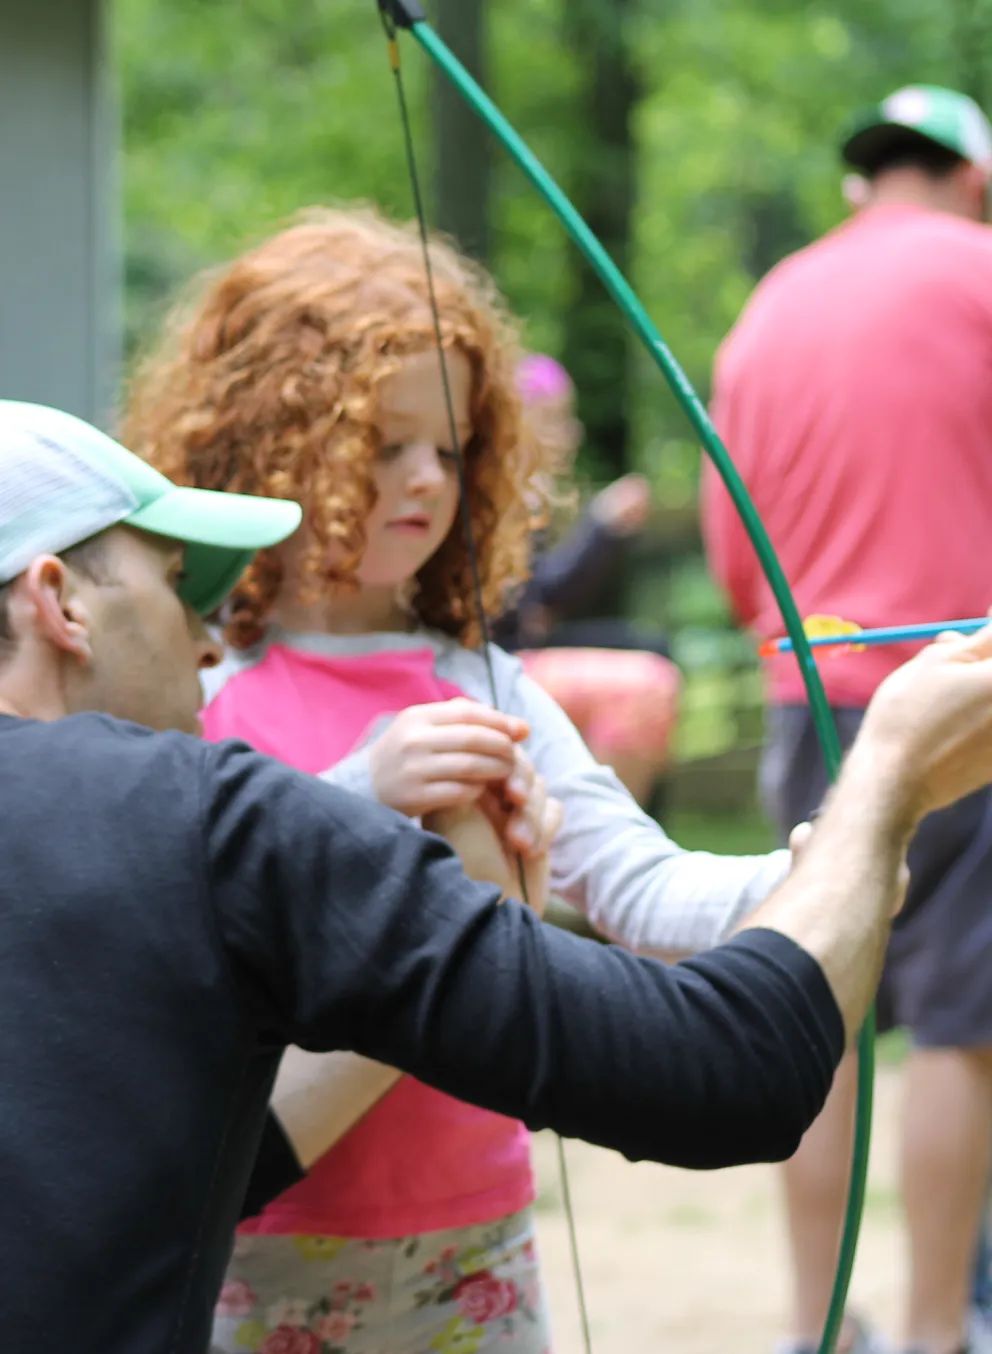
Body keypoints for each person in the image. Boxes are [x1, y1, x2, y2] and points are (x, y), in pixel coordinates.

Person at [1, 399, 977, 1351]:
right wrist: (883, 783)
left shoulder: (448, 699)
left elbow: (208, 1161)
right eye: (176, 581)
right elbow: (725, 1069)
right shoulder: (204, 809)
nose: (205, 634)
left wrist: (809, 876)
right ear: (58, 603)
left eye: (450, 445)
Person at [121, 206, 796, 1352]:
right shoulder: (196, 676)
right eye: (381, 444)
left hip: (471, 1238)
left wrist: (815, 866)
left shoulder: (487, 683)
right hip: (257, 1241)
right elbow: (168, 923)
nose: (424, 478)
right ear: (269, 439)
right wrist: (355, 790)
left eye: (450, 445)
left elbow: (644, 893)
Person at [703, 84, 992, 1354]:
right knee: (963, 1025)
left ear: (856, 183)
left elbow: (731, 552)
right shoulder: (981, 271)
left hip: (807, 698)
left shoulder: (766, 310)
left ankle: (817, 1329)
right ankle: (938, 1333)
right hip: (965, 694)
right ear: (971, 178)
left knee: (820, 1006)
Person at [492, 352, 680, 808]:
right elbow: (539, 601)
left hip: (523, 645)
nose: (571, 434)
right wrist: (599, 527)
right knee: (650, 678)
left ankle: (636, 826)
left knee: (655, 646)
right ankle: (607, 831)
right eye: (554, 421)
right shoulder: (500, 497)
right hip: (500, 657)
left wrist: (605, 532)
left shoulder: (527, 496)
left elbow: (545, 601)